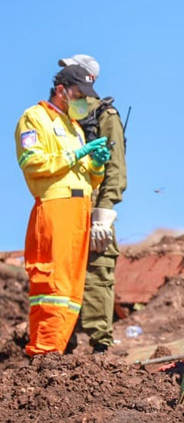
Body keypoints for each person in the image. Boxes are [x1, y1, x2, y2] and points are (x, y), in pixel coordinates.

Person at [15, 65, 111, 355]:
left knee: (71, 290)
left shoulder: (75, 126)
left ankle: (56, 349)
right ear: (61, 90)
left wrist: (96, 165)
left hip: (80, 210)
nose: (82, 101)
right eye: (79, 94)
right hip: (55, 207)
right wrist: (75, 154)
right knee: (52, 283)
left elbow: (88, 177)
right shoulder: (34, 117)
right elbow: (32, 162)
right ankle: (43, 352)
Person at [60, 54, 128, 353]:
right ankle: (64, 340)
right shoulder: (62, 117)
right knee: (63, 273)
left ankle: (100, 346)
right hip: (65, 207)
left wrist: (104, 213)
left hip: (96, 206)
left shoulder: (104, 116)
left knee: (98, 270)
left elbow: (115, 168)